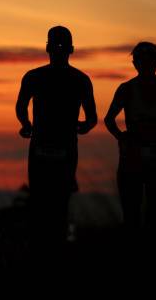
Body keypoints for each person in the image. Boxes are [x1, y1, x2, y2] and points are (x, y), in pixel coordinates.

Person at [15, 26, 97, 245]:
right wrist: (83, 126)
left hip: (52, 145)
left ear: (47, 48)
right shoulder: (79, 79)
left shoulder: (35, 77)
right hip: (57, 145)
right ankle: (51, 245)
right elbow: (92, 119)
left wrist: (25, 124)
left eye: (60, 46)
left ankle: (47, 246)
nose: (59, 50)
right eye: (57, 46)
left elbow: (21, 107)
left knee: (47, 199)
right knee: (55, 200)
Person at [105, 42, 156, 228]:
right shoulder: (128, 89)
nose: (145, 64)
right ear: (135, 63)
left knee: (150, 214)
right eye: (141, 60)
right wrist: (121, 137)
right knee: (137, 214)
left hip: (150, 157)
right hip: (135, 158)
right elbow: (109, 119)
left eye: (148, 60)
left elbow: (109, 120)